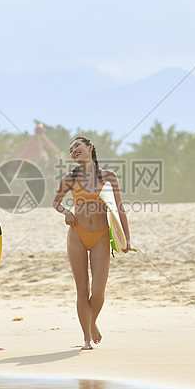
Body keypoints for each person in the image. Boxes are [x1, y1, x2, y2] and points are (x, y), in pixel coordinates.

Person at [52, 136, 131, 350]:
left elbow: (119, 208)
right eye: (70, 149)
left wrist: (126, 237)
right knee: (82, 288)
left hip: (101, 236)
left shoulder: (109, 176)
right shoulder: (70, 178)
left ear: (90, 147)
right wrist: (66, 212)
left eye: (77, 145)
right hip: (77, 234)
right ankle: (86, 338)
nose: (73, 150)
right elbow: (56, 202)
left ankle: (92, 322)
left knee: (97, 292)